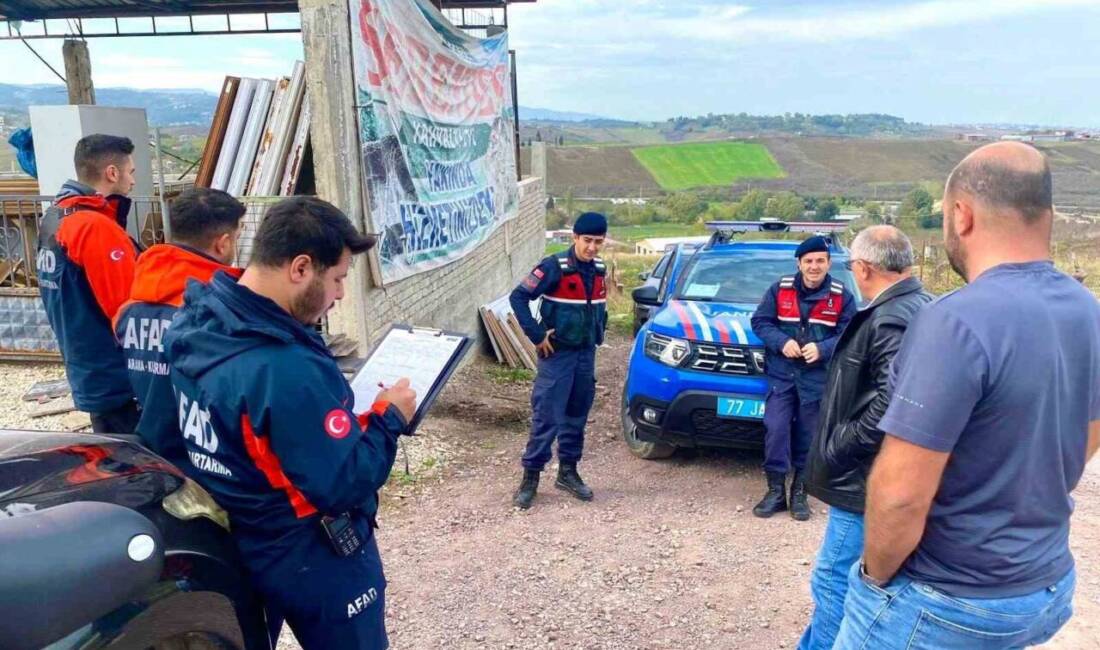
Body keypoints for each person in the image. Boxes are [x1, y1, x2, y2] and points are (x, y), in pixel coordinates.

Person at [834, 142, 1100, 649]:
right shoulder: (1086, 310)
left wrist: (871, 577)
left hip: (947, 601)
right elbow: (1084, 438)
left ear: (962, 215)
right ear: (1044, 212)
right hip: (1042, 585)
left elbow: (900, 495)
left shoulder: (954, 321)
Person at [162, 197, 417, 650]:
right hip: (313, 552)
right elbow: (343, 482)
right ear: (300, 268)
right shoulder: (283, 367)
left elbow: (249, 433)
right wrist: (388, 417)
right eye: (337, 279)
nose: (340, 294)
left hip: (243, 539)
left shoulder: (199, 322)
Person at [797, 226, 932, 650]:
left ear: (865, 267)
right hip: (886, 474)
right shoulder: (921, 303)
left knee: (834, 581)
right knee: (845, 583)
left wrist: (840, 444)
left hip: (866, 481)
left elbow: (897, 399)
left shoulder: (891, 314)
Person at [114, 188, 245, 466]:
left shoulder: (131, 306)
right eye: (237, 237)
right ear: (222, 244)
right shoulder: (219, 310)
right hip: (205, 459)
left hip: (152, 446)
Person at [36, 134, 140, 434]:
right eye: (130, 172)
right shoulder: (95, 228)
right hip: (116, 374)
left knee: (110, 449)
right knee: (133, 463)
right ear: (112, 172)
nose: (132, 181)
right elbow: (126, 309)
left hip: (85, 365)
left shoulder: (55, 218)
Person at [750, 236, 857, 520]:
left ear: (828, 263)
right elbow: (760, 321)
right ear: (799, 263)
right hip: (782, 375)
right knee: (776, 430)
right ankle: (775, 493)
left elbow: (850, 334)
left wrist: (822, 349)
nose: (814, 266)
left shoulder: (841, 296)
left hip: (816, 379)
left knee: (809, 438)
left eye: (820, 260)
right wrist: (781, 342)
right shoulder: (780, 289)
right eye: (808, 261)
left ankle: (800, 493)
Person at [509, 211, 609, 509]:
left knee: (576, 415)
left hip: (585, 354)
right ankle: (531, 478)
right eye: (587, 240)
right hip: (557, 355)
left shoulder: (600, 269)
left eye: (598, 242)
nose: (592, 247)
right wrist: (537, 335)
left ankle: (568, 472)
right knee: (547, 416)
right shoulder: (554, 267)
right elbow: (518, 297)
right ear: (575, 237)